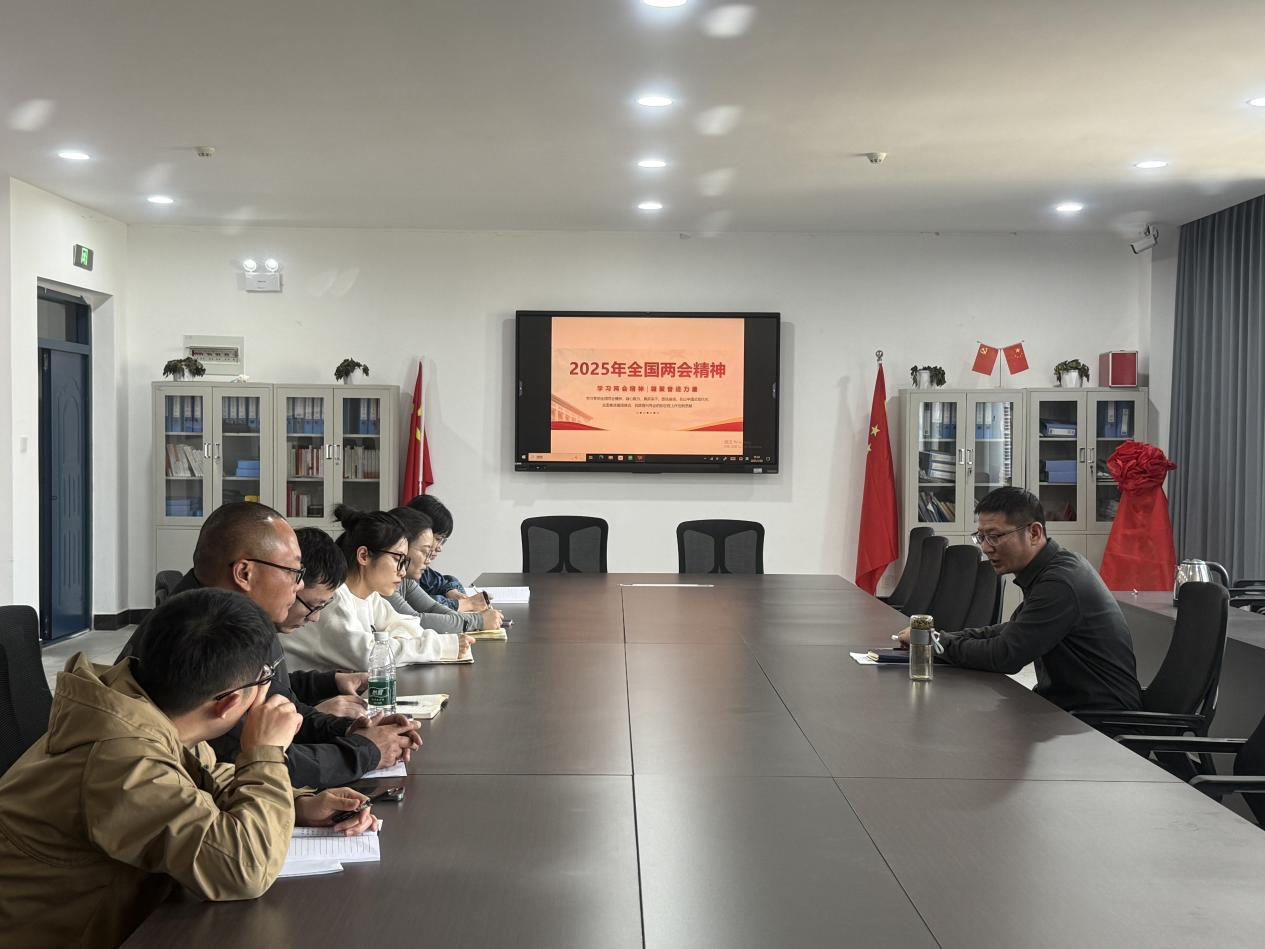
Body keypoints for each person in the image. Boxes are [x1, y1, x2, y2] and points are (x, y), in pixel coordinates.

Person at [0, 589, 377, 949]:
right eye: (264, 681)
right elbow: (244, 869)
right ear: (228, 703)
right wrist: (265, 752)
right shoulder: (123, 759)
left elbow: (205, 778)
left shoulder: (148, 706)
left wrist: (299, 803)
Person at [118, 502, 419, 788]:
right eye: (294, 572)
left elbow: (282, 703)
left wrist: (348, 729)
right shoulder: (199, 636)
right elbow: (253, 760)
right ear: (244, 573)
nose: (299, 585)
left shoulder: (243, 616)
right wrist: (366, 751)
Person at [896, 487, 1143, 713]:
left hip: (1099, 723)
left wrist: (935, 643)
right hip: (1066, 710)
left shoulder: (1060, 582)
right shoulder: (1052, 569)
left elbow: (1005, 655)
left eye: (995, 536)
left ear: (1034, 533)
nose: (986, 547)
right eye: (981, 537)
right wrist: (936, 638)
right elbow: (1011, 631)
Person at [284, 505, 474, 671]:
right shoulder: (334, 598)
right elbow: (369, 657)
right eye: (398, 559)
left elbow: (408, 625)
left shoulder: (370, 597)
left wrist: (392, 642)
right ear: (364, 556)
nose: (402, 571)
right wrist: (442, 646)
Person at [385, 505, 503, 633]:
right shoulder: (384, 584)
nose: (428, 559)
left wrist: (472, 620)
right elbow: (415, 621)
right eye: (425, 551)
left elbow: (432, 607)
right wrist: (477, 620)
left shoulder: (405, 580)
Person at [405, 493, 483, 611]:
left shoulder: (421, 571)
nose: (439, 548)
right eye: (438, 539)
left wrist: (450, 591)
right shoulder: (403, 572)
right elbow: (418, 606)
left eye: (443, 541)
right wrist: (464, 604)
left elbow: (444, 581)